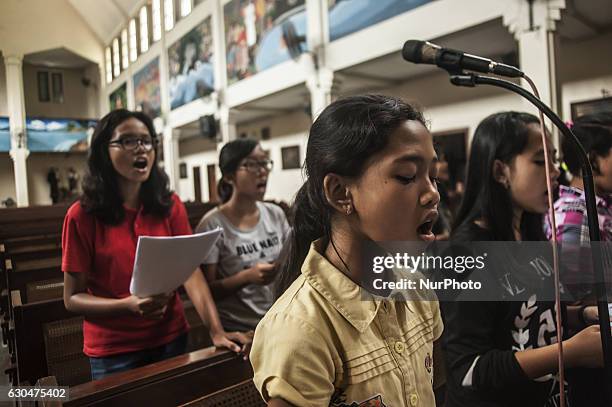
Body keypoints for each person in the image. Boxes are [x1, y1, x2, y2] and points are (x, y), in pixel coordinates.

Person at [250, 94, 444, 406]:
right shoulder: (299, 330)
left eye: (433, 176)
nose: (432, 194)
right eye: (407, 176)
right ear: (341, 193)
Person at [61, 109, 251, 380]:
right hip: (114, 350)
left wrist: (216, 330)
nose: (141, 149)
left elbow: (191, 273)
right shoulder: (81, 216)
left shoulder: (168, 205)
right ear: (105, 150)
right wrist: (127, 305)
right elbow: (72, 299)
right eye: (128, 141)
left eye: (146, 140)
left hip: (171, 337)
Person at [442, 111, 603, 407]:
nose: (555, 171)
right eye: (541, 161)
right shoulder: (466, 253)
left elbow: (521, 317)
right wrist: (568, 352)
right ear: (501, 171)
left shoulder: (529, 233)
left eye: (554, 160)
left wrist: (582, 316)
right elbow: (469, 369)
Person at [545, 112, 612, 407]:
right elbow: (572, 299)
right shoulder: (577, 213)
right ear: (594, 160)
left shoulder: (596, 207)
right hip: (593, 354)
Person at [196, 139, 290, 332]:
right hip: (238, 328)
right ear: (230, 176)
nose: (262, 171)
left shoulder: (275, 213)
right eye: (252, 164)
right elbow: (208, 291)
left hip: (278, 320)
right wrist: (246, 277)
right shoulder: (212, 225)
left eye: (264, 163)